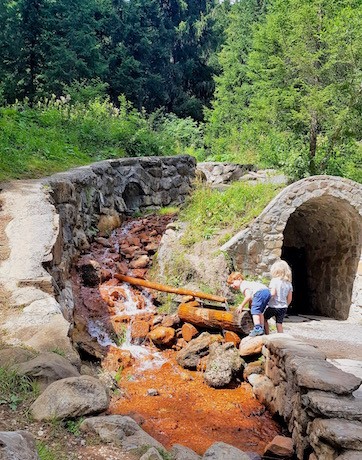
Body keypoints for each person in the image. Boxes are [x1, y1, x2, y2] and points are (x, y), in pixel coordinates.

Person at [227, 272, 271, 337]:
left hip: (260, 293)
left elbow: (248, 297)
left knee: (255, 311)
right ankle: (262, 328)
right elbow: (251, 298)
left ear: (239, 279)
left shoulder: (243, 285)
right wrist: (250, 306)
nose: (232, 286)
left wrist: (241, 305)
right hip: (266, 292)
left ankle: (257, 328)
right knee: (260, 312)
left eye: (232, 283)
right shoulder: (248, 284)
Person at [264, 260, 293, 334]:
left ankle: (267, 334)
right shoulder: (288, 283)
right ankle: (282, 338)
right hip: (283, 307)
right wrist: (286, 305)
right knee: (279, 323)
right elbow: (290, 298)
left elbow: (273, 293)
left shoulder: (274, 281)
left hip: (273, 306)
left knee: (264, 318)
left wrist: (266, 301)